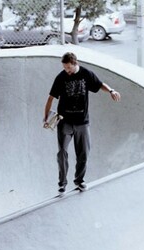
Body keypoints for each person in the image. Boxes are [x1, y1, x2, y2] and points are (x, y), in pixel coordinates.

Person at [43, 52, 121, 194]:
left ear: (75, 63)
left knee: (83, 153)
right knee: (61, 152)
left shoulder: (86, 74)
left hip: (82, 122)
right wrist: (46, 117)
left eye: (68, 68)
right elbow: (50, 98)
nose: (67, 71)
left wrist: (111, 90)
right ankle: (62, 183)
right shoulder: (61, 77)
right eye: (64, 68)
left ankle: (79, 180)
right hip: (64, 121)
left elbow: (99, 85)